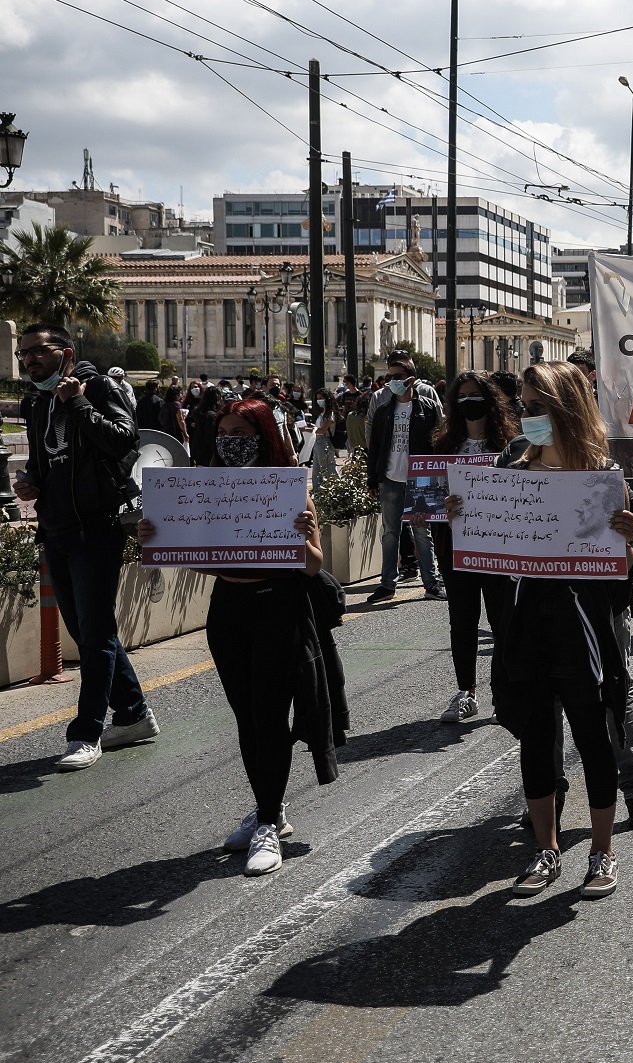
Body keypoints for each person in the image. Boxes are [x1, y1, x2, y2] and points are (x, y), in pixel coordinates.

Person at [451, 360, 633, 899]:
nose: (527, 416)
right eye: (524, 407)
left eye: (537, 407)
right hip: (524, 622)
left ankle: (601, 853)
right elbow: (485, 551)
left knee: (591, 735)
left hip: (580, 625)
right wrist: (463, 517)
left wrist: (626, 539)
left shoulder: (602, 477)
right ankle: (546, 849)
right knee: (536, 739)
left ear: (565, 410)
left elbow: (621, 568)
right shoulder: (511, 473)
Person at [134, 399, 341, 876]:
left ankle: (267, 821)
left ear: (263, 436)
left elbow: (314, 566)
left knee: (269, 716)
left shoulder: (286, 487)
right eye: (223, 432)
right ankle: (270, 808)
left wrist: (304, 536)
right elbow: (204, 561)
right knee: (247, 717)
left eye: (241, 433)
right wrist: (159, 537)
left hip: (278, 611)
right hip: (228, 611)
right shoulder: (207, 488)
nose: (230, 441)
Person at [15, 325, 157, 772]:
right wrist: (31, 482)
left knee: (95, 635)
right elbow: (43, 460)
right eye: (24, 353)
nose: (29, 359)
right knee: (89, 632)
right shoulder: (36, 402)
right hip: (56, 528)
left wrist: (77, 403)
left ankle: (86, 732)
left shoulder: (97, 388)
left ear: (65, 353)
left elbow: (124, 441)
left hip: (96, 528)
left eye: (38, 350)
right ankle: (133, 714)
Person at [428, 372, 523, 725]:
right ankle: (465, 691)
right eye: (463, 396)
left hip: (498, 546)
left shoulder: (511, 444)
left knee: (502, 620)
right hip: (455, 546)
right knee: (462, 620)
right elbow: (429, 496)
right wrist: (434, 509)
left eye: (476, 395)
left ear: (490, 400)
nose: (470, 401)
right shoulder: (444, 446)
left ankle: (503, 693)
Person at [365, 351, 446, 604]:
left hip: (421, 480)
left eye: (397, 376)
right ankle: (387, 584)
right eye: (389, 377)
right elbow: (375, 447)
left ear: (411, 379)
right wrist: (372, 479)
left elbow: (440, 441)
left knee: (422, 532)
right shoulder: (383, 411)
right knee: (390, 533)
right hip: (390, 479)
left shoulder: (428, 408)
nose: (392, 381)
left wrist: (438, 477)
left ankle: (431, 583)